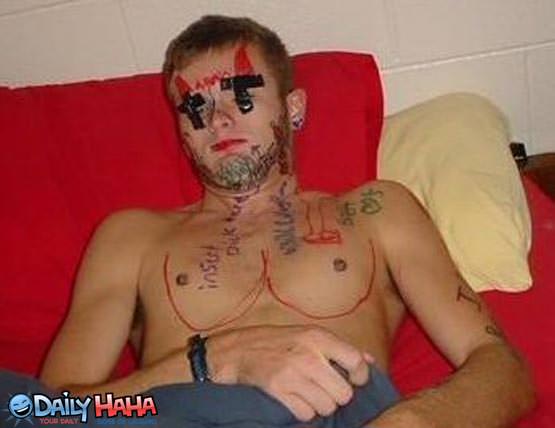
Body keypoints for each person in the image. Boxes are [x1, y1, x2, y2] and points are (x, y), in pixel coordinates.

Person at [37, 15, 534, 427]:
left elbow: (503, 368)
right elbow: (45, 412)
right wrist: (211, 361)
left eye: (242, 96)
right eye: (196, 108)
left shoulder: (376, 212)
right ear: (182, 133)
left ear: (294, 108)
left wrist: (414, 420)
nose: (219, 119)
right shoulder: (131, 237)